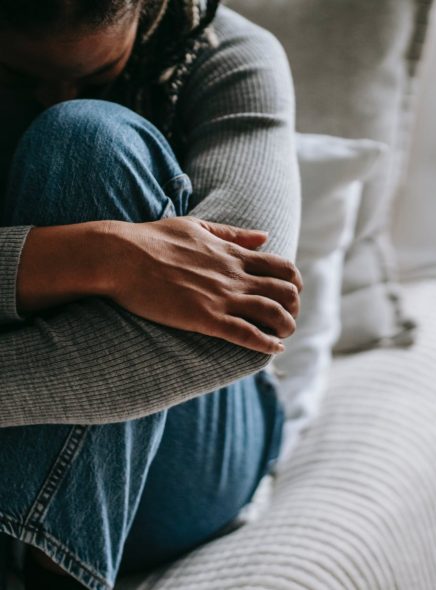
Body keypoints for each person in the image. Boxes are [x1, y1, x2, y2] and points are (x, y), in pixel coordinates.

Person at [0, 0, 301, 588]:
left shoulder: (227, 56)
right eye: (16, 78)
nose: (55, 95)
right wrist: (102, 254)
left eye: (97, 75)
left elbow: (245, 330)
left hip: (188, 446)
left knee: (87, 140)